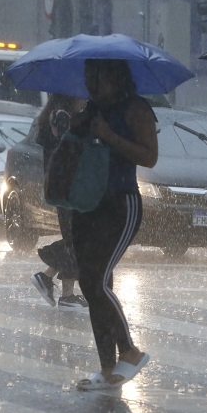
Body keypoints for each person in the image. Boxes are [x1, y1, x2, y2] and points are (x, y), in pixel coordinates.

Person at [70, 59, 159, 391]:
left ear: (115, 76)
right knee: (93, 284)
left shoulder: (136, 110)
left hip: (121, 204)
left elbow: (149, 156)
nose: (90, 83)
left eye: (97, 76)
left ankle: (130, 350)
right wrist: (75, 127)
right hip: (87, 203)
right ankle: (107, 368)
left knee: (95, 281)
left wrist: (108, 135)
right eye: (87, 75)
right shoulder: (92, 109)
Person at [31, 93, 88, 311]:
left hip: (60, 186)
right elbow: (69, 151)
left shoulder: (52, 117)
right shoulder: (62, 117)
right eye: (82, 97)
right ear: (70, 96)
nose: (84, 101)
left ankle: (52, 283)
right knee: (76, 238)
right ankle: (65, 294)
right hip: (68, 187)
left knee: (74, 238)